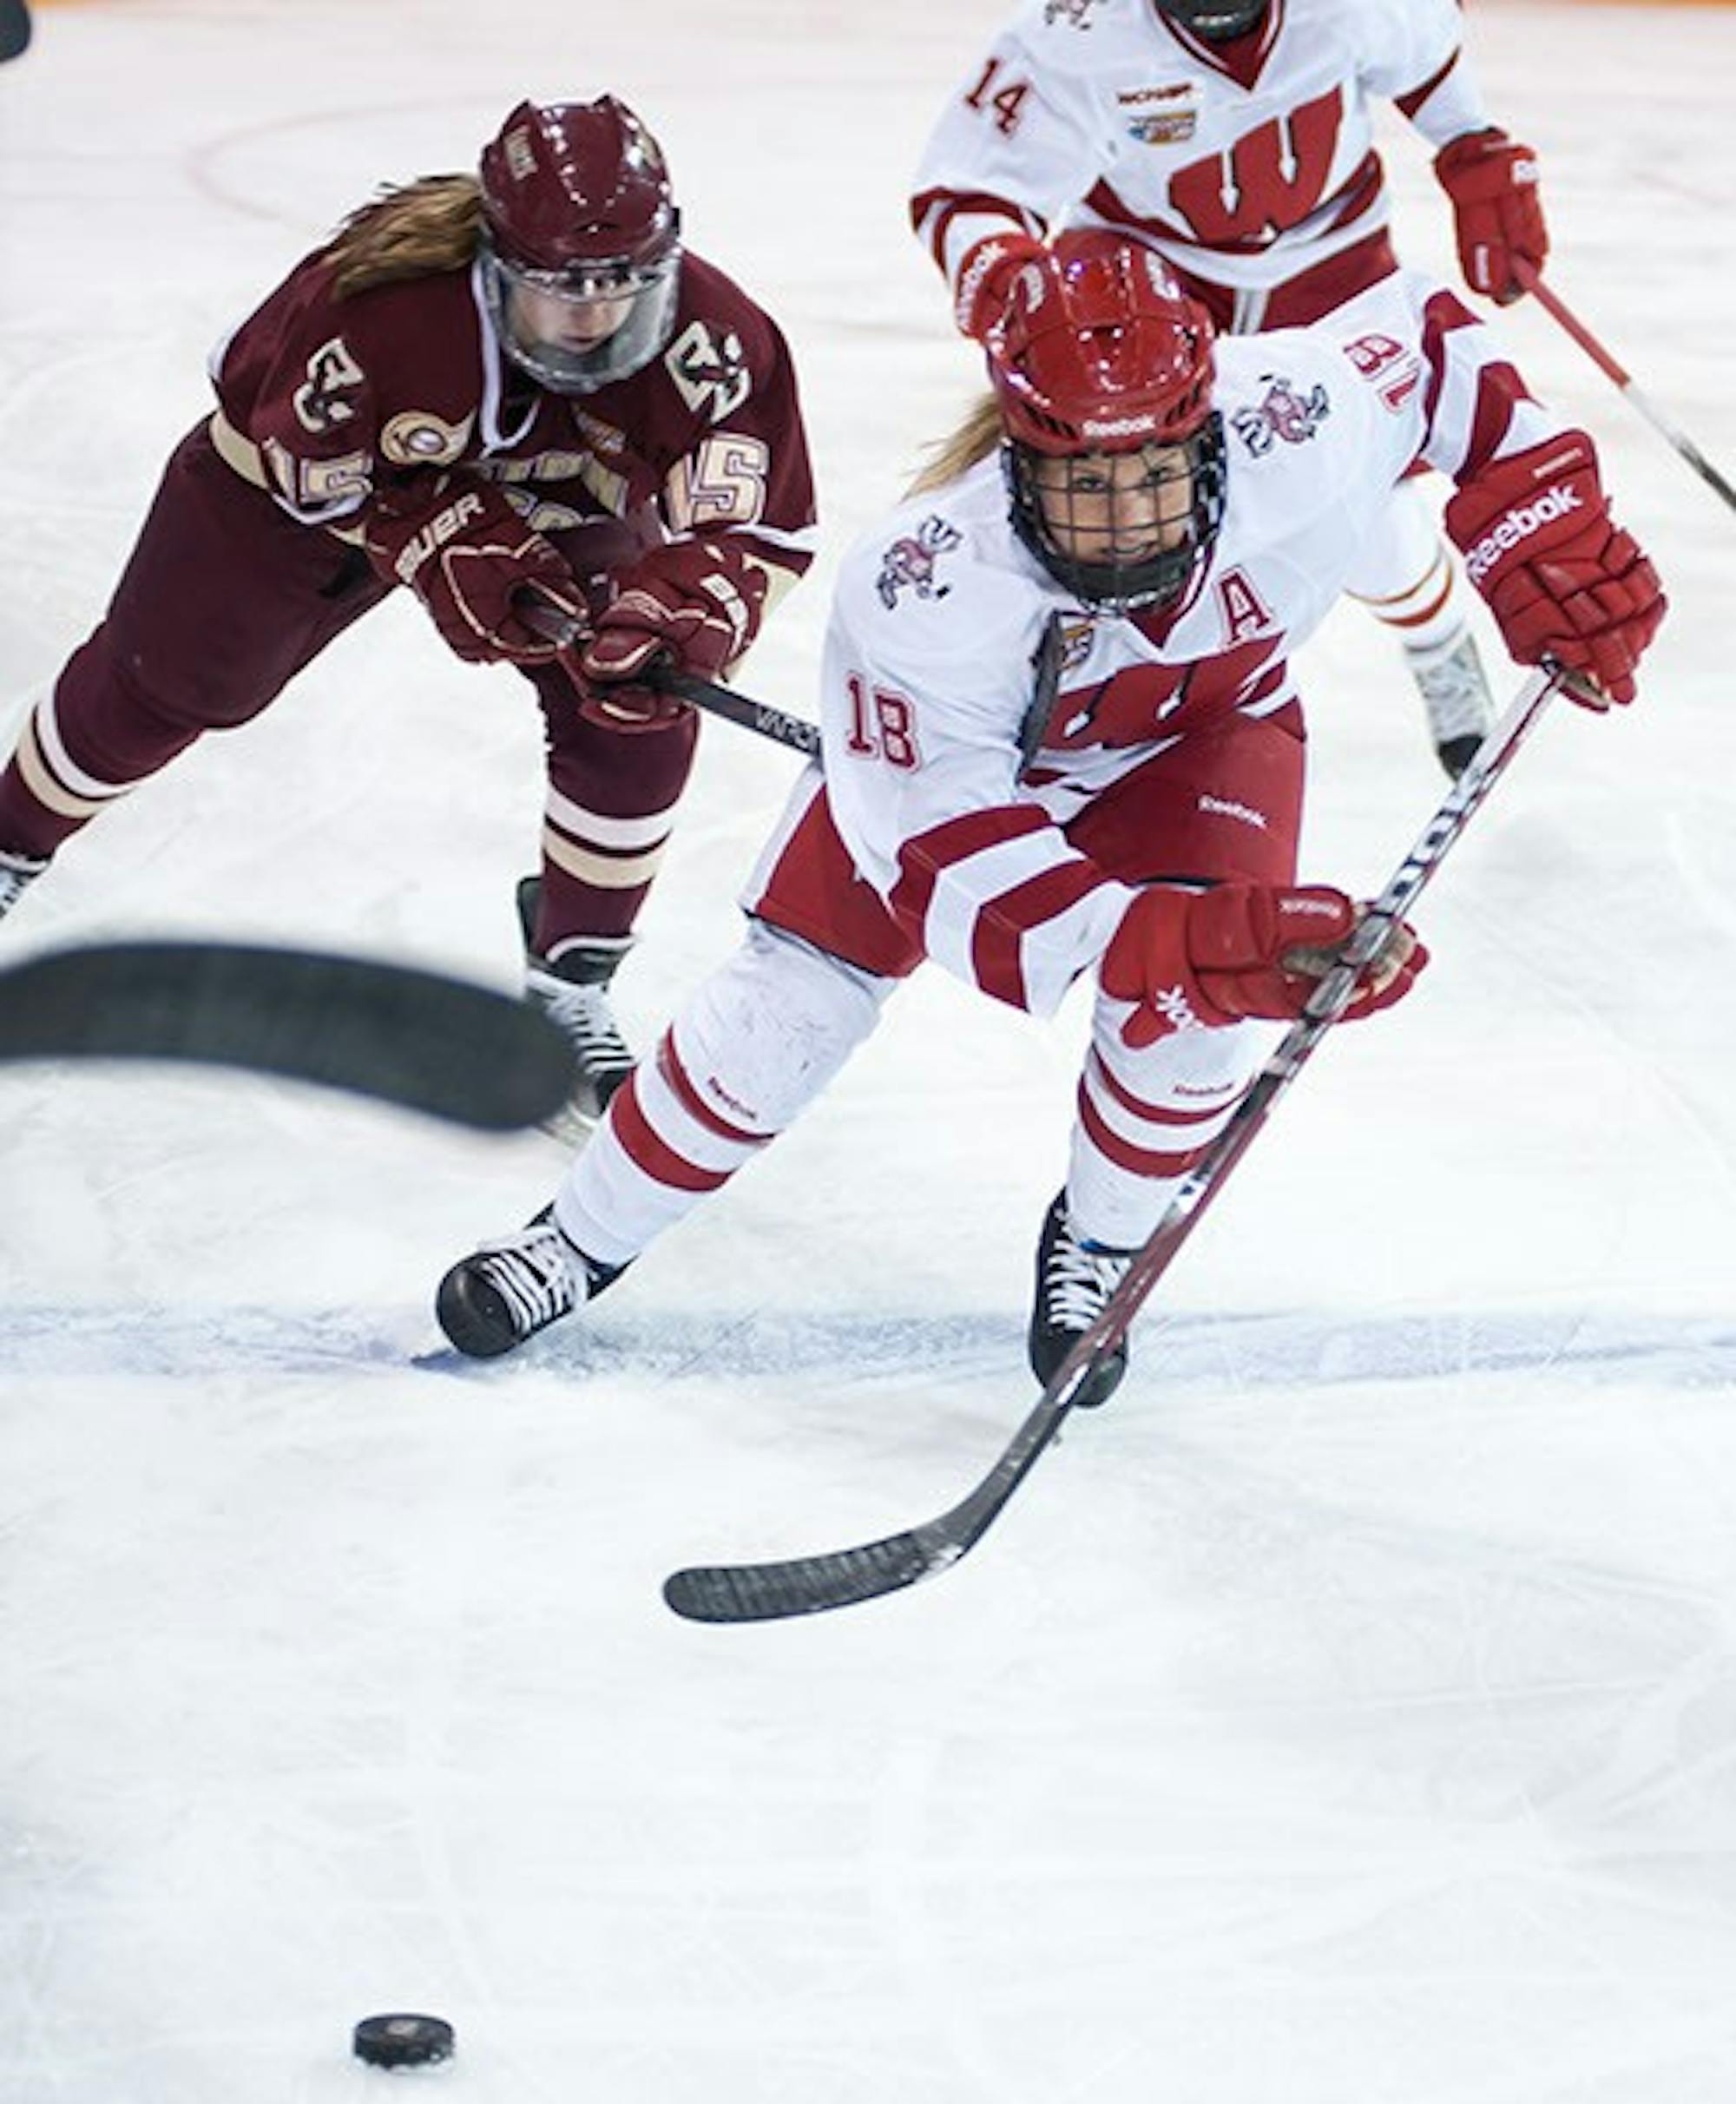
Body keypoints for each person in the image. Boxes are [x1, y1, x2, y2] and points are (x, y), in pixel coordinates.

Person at [432, 233, 1662, 1404]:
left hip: (1205, 739)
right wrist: (1178, 945)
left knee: (1188, 1027)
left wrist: (1536, 528)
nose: (1124, 513)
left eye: (1151, 471)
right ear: (1020, 452)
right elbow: (960, 875)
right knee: (787, 1004)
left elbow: (1435, 347)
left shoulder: (1295, 416)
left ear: (1209, 430)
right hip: (969, 795)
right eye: (1083, 479)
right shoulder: (923, 590)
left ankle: (1104, 1243)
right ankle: (578, 1241)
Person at [0, 96, 818, 1137]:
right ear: (492, 259)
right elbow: (298, 466)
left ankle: (570, 979)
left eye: (622, 284)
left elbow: (760, 532)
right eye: (561, 288)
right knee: (166, 685)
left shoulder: (718, 338)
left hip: (559, 498)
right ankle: (8, 845)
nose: (594, 317)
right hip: (315, 498)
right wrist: (431, 530)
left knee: (636, 704)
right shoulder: (377, 309)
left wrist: (681, 611)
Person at [909, 0, 1549, 777]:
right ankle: (1072, 693)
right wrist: (1017, 281)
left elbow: (1428, 54)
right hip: (1145, 291)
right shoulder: (1076, 36)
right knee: (1099, 509)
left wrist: (1475, 152)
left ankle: (1438, 644)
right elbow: (968, 189)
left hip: (1334, 278)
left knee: (1381, 533)